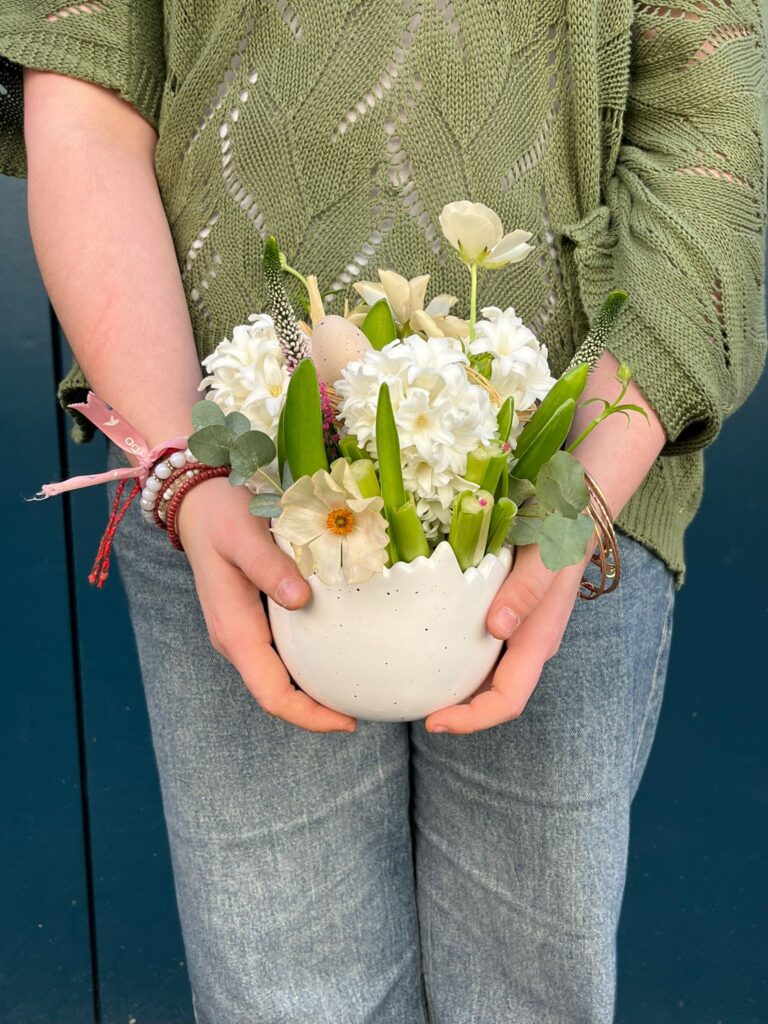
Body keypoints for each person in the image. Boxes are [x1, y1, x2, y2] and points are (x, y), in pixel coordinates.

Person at [1, 2, 765, 1021]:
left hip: (568, 485)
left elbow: (710, 123)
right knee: (286, 996)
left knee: (531, 992)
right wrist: (187, 471)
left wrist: (591, 473)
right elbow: (88, 96)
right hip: (234, 479)